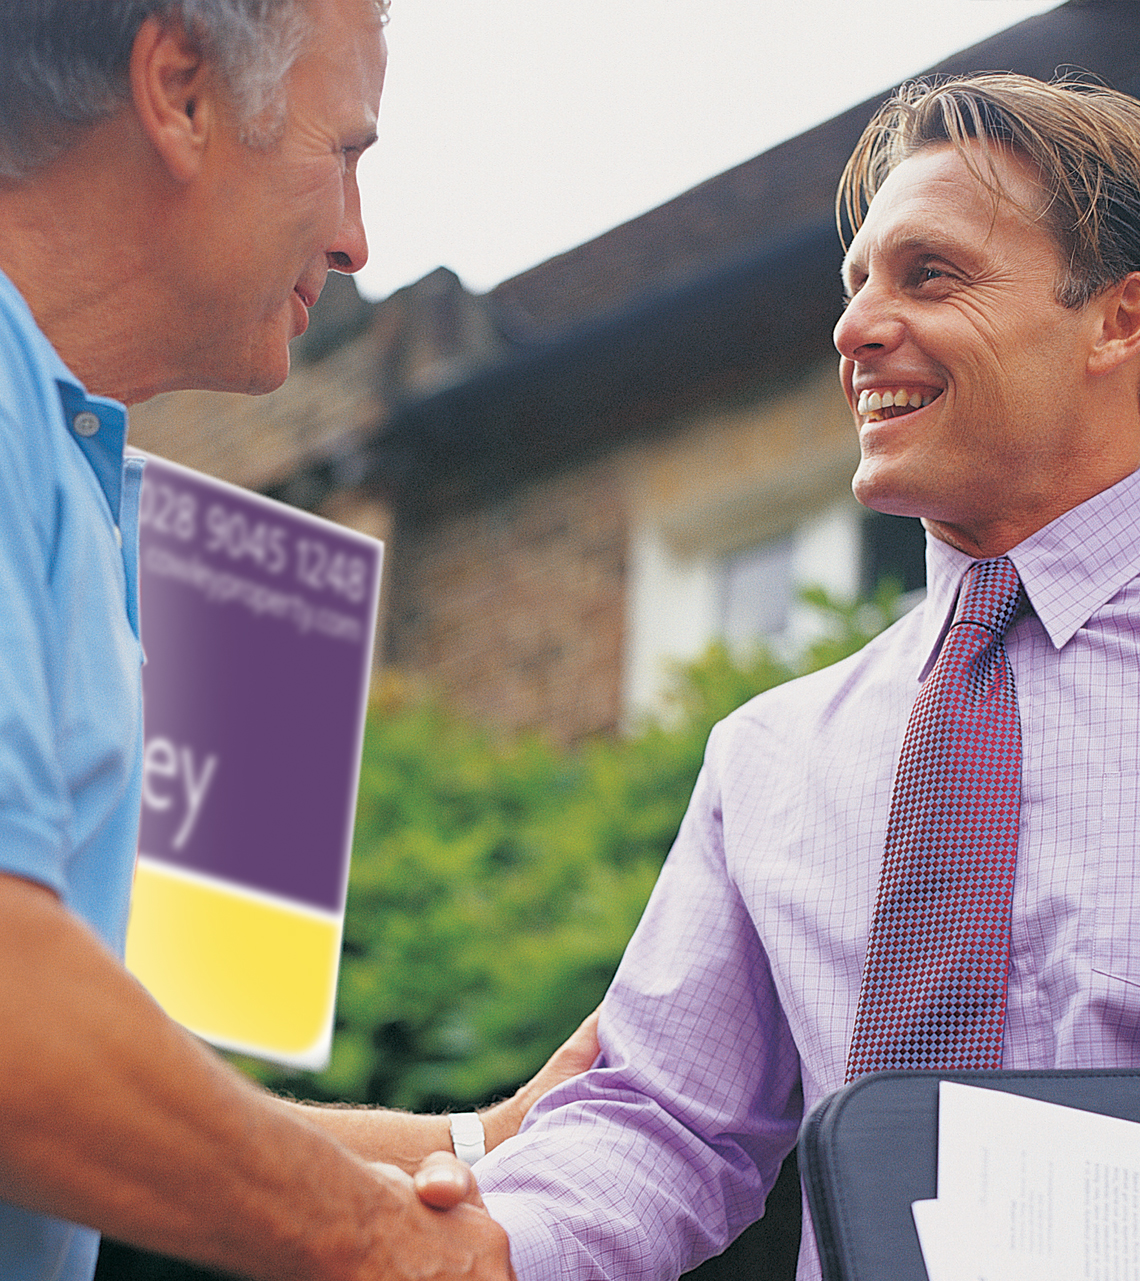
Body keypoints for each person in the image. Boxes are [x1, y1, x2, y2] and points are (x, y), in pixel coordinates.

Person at [470, 71, 1140, 1280]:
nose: (855, 328)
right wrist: (457, 1250)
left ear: (1118, 321)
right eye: (857, 284)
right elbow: (663, 1125)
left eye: (929, 275)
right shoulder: (772, 755)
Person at [0, 2, 598, 1279]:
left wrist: (461, 1141)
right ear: (181, 92)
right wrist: (390, 1247)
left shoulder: (62, 457)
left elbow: (81, 1072)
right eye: (346, 151)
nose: (356, 234)